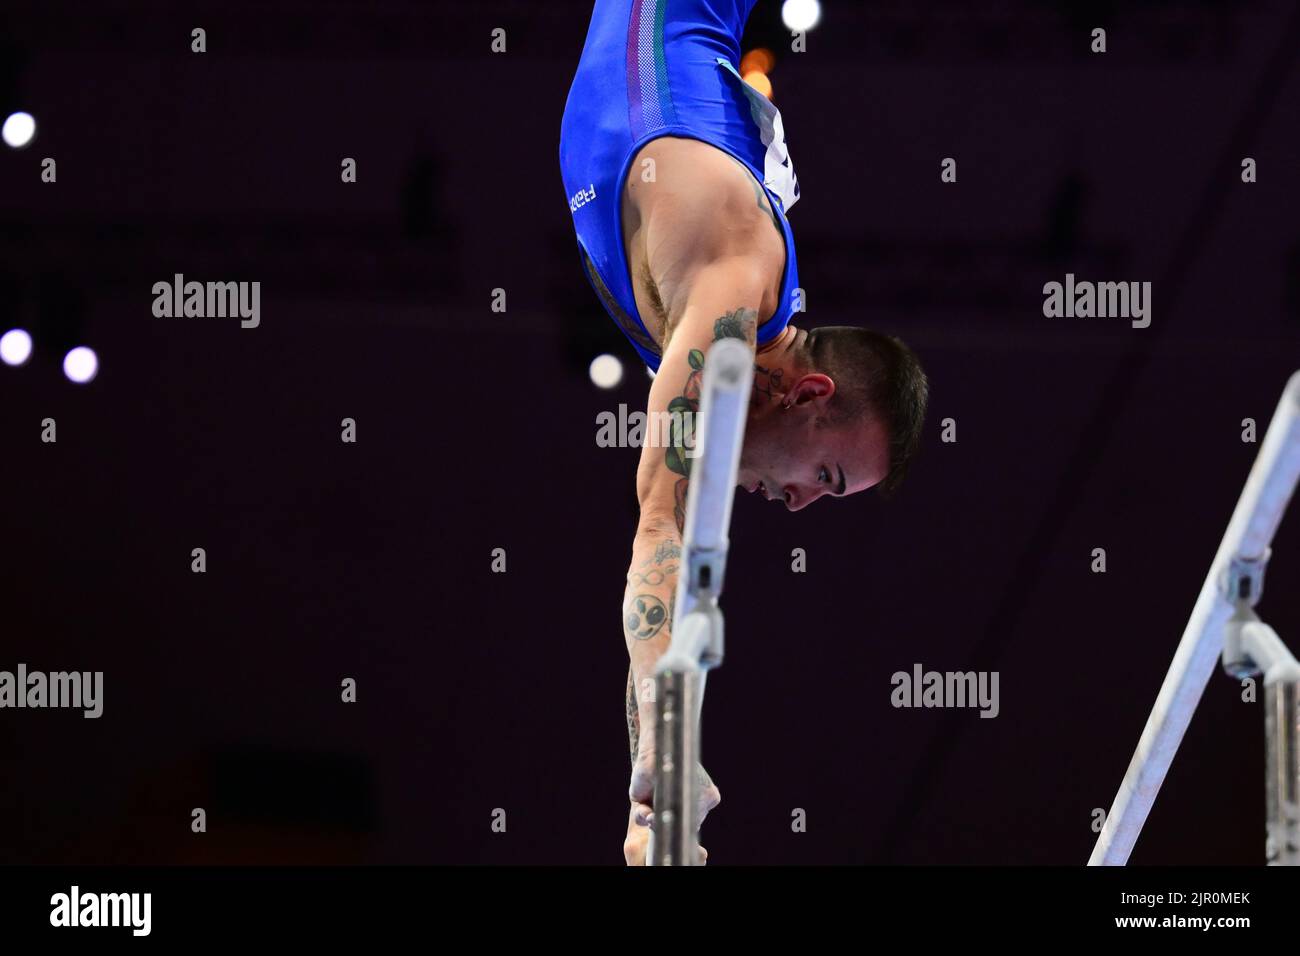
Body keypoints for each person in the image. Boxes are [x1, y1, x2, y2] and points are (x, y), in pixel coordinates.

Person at [559, 0, 929, 864]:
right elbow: (660, 527)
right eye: (827, 479)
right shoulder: (730, 297)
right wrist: (664, 749)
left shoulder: (719, 346)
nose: (798, 507)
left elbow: (667, 557)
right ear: (808, 395)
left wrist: (648, 815)